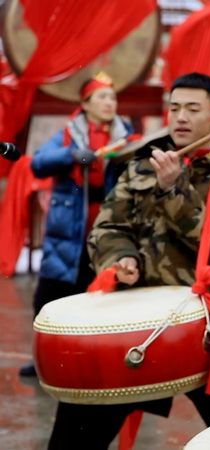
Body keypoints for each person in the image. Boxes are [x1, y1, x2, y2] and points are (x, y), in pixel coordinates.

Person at [46, 73, 210, 449]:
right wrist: (121, 258)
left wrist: (174, 190)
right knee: (75, 430)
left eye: (192, 109)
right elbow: (108, 226)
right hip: (131, 324)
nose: (180, 116)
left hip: (206, 327)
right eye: (174, 107)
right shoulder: (143, 163)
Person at [21, 72, 135, 377]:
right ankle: (43, 356)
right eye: (102, 97)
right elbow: (38, 162)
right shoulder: (70, 134)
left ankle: (93, 359)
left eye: (112, 97)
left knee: (100, 296)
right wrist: (71, 155)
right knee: (51, 295)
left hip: (107, 223)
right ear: (85, 104)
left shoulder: (126, 133)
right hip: (69, 227)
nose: (109, 103)